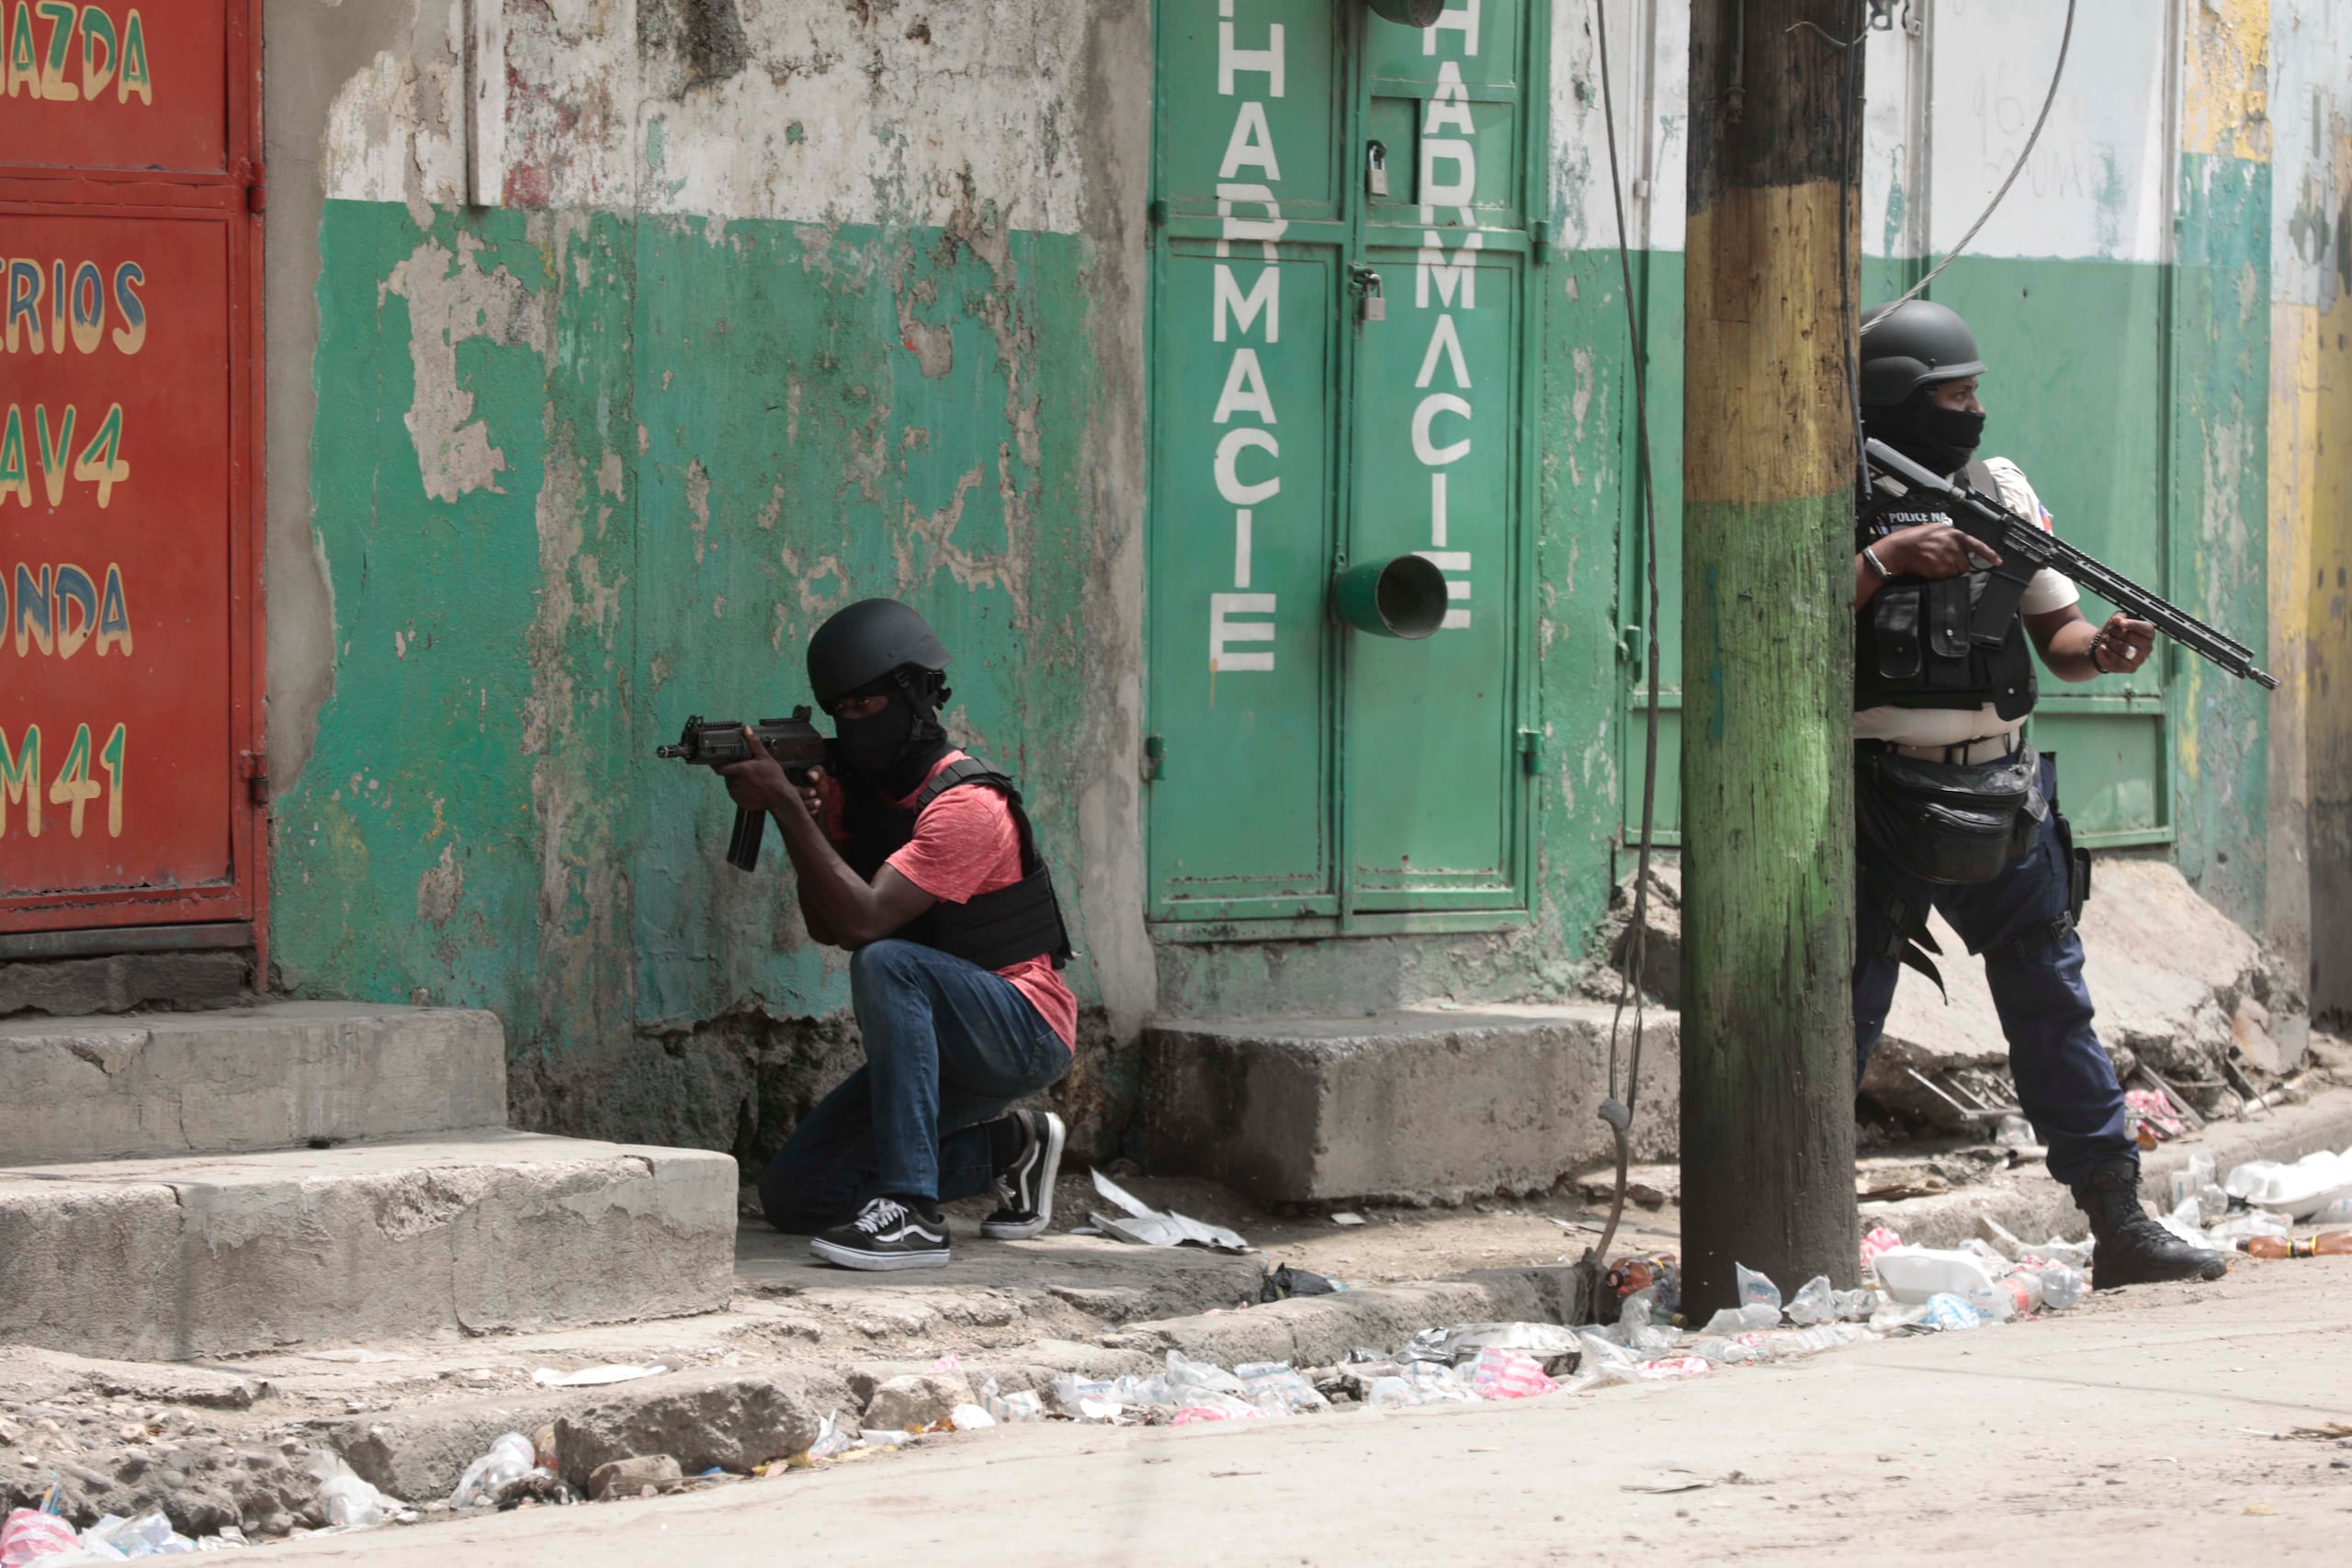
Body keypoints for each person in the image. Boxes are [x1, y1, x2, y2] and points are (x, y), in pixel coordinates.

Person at [1849, 300, 2226, 1289]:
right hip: (1871, 799)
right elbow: (1774, 613)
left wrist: (2101, 650)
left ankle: (2118, 1221)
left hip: (2002, 791)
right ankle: (1797, 1228)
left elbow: (2056, 643)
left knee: (2052, 1004)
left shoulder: (1993, 486)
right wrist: (1885, 560)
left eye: (1977, 392)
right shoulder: (1823, 485)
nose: (1974, 411)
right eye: (1953, 395)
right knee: (1841, 1013)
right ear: (1895, 399)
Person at [716, 597, 1077, 1271]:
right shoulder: (867, 798)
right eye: (839, 711)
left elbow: (865, 927)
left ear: (913, 696)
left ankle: (911, 1211)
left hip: (1022, 1027)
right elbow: (828, 924)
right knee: (797, 1195)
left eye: (866, 705)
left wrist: (790, 808)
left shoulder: (967, 804)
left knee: (888, 961)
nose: (851, 724)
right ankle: (1011, 1148)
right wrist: (816, 822)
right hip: (946, 1039)